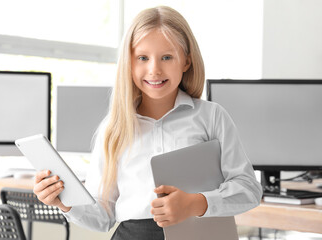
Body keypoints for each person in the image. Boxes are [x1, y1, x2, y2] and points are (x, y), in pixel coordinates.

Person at [33, 6, 262, 240]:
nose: (154, 69)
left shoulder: (211, 117)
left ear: (186, 61)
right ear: (129, 63)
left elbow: (249, 189)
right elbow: (102, 218)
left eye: (167, 57)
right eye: (142, 58)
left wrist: (196, 203)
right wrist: (66, 203)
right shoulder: (114, 129)